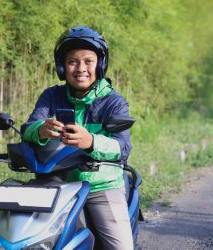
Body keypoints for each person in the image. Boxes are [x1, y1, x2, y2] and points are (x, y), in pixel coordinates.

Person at [21, 26, 134, 250]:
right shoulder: (51, 96)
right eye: (72, 61)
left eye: (88, 61)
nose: (80, 68)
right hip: (57, 183)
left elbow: (122, 147)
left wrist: (91, 141)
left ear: (100, 65)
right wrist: (40, 130)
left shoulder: (114, 102)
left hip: (100, 186)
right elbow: (28, 129)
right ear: (63, 66)